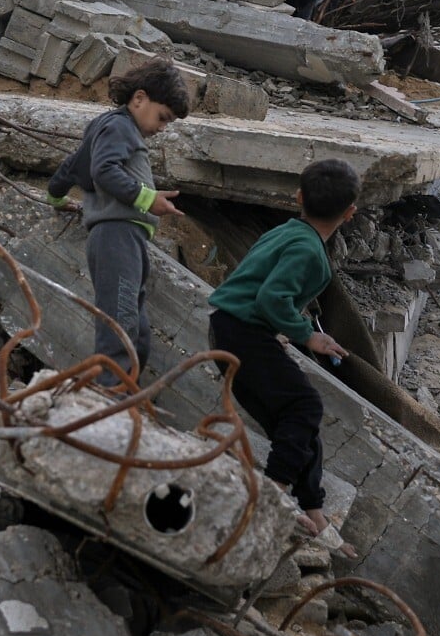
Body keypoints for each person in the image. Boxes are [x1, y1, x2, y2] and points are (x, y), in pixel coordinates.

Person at [206, 158, 361, 545]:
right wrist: (307, 336)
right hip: (242, 332)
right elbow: (272, 297)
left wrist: (279, 330)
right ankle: (272, 491)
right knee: (304, 407)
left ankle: (312, 509)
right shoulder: (309, 251)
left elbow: (258, 286)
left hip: (230, 327)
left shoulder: (286, 232)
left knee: (295, 422)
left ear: (298, 198)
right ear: (350, 213)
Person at [46, 56, 191, 385]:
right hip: (117, 237)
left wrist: (55, 197)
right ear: (139, 98)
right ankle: (109, 396)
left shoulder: (107, 127)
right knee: (119, 327)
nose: (162, 128)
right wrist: (147, 199)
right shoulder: (120, 127)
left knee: (136, 332)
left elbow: (73, 167)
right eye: (162, 117)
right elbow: (103, 170)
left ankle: (126, 394)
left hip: (127, 240)